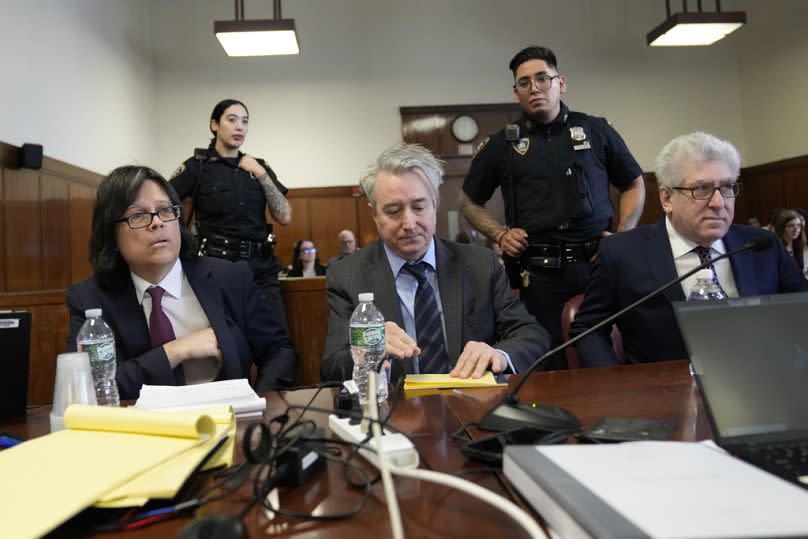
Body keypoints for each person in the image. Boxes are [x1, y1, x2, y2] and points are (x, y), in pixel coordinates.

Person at [459, 45, 645, 369]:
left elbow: (634, 183)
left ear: (561, 82)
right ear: (516, 93)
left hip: (599, 264)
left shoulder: (595, 129)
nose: (535, 88)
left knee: (613, 356)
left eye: (543, 79)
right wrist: (500, 234)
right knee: (549, 364)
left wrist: (624, 234)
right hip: (540, 276)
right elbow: (468, 201)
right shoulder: (502, 144)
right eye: (524, 83)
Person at [569, 132, 808, 367]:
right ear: (666, 198)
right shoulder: (622, 253)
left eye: (726, 187)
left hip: (758, 384)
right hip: (664, 393)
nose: (718, 203)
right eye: (701, 189)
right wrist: (620, 387)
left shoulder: (762, 245)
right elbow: (587, 329)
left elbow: (801, 311)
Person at [321, 143, 550, 383]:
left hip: (471, 405)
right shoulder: (347, 275)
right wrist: (368, 348)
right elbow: (331, 367)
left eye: (419, 207)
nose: (409, 223)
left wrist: (499, 354)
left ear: (435, 204)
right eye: (393, 211)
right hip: (394, 409)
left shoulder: (480, 265)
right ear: (374, 213)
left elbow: (532, 335)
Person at [66, 166, 297, 399]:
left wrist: (258, 404)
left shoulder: (231, 278)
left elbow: (278, 351)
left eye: (166, 210)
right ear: (111, 234)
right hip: (144, 430)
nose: (157, 223)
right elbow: (92, 387)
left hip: (231, 422)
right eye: (139, 215)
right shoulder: (89, 299)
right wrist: (176, 351)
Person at [170, 99, 292, 333]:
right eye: (232, 119)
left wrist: (261, 173)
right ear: (214, 125)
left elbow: (284, 215)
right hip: (217, 266)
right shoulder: (198, 166)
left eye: (245, 122)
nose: (240, 127)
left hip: (261, 268)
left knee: (278, 339)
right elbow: (163, 203)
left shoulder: (259, 166)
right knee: (227, 343)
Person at [774, 209, 808, 275]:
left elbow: (799, 270)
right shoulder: (776, 247)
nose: (796, 229)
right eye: (791, 226)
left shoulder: (797, 245)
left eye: (798, 225)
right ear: (781, 227)